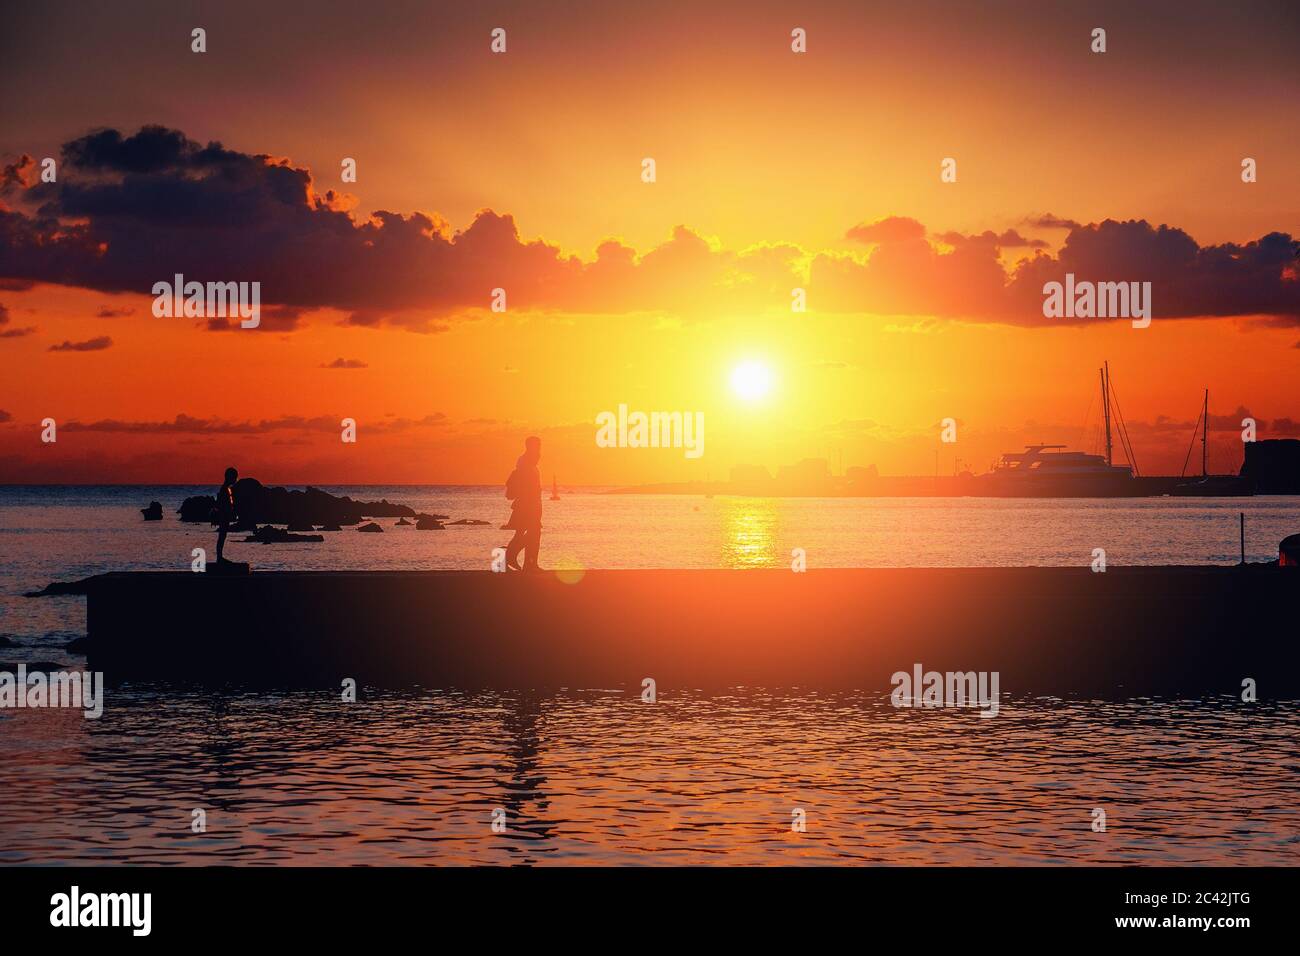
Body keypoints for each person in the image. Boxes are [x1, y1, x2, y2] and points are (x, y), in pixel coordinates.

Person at [503, 437, 543, 572]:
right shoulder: (525, 463)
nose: (539, 450)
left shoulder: (531, 464)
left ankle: (528, 564)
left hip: (532, 504)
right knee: (531, 533)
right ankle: (511, 558)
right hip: (527, 505)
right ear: (530, 447)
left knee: (529, 533)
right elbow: (526, 487)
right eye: (537, 446)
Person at [215, 467, 239, 563]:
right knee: (222, 536)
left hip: (225, 515)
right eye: (234, 477)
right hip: (223, 515)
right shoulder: (224, 489)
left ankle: (220, 557)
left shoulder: (226, 488)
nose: (235, 480)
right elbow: (222, 503)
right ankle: (219, 557)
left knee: (223, 536)